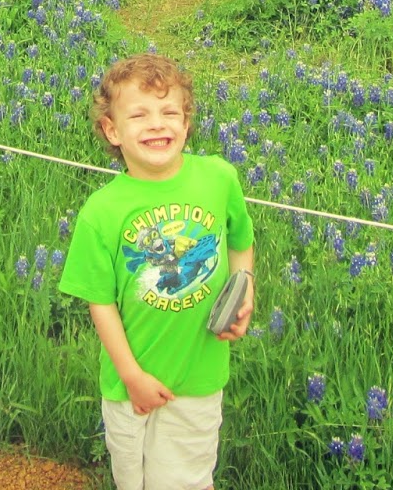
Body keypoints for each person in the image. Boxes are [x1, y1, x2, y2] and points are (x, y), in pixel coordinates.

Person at [59, 53, 256, 490]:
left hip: (198, 377)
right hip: (128, 385)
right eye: (139, 114)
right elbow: (100, 303)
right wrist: (132, 376)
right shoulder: (101, 211)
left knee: (188, 479)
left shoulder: (219, 178)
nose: (157, 124)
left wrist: (245, 289)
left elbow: (242, 241)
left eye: (169, 112)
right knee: (131, 479)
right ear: (112, 130)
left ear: (186, 122)